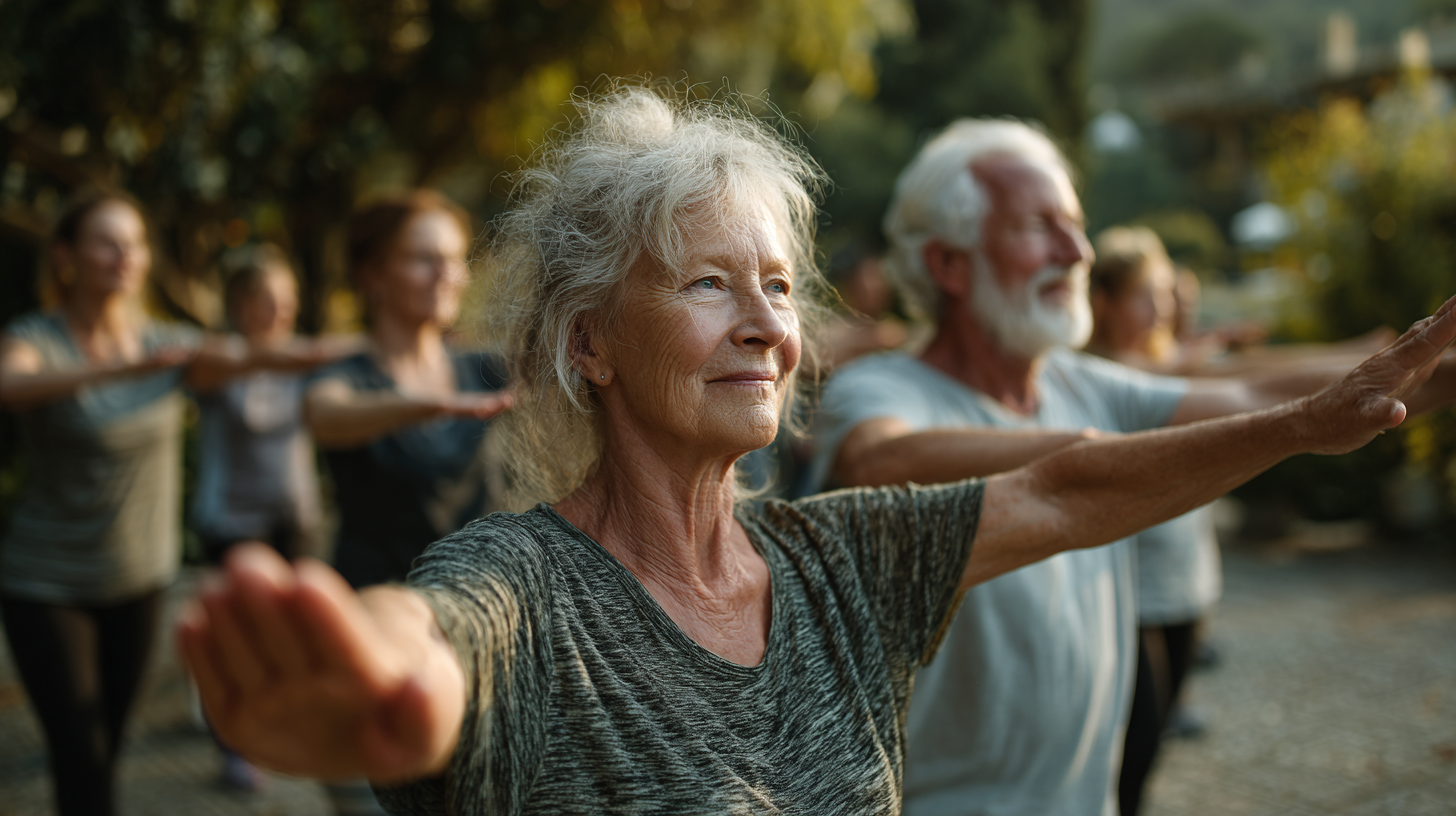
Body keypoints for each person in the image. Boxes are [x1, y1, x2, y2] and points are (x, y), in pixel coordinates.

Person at [175, 87, 1456, 816]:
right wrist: (377, 693)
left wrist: (1304, 425)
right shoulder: (520, 588)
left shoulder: (842, 565)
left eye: (780, 288)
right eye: (706, 285)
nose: (764, 327)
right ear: (591, 345)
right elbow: (430, 640)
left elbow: (1062, 488)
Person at [810, 119, 1456, 816]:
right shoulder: (879, 389)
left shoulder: (1086, 385)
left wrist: (1438, 373)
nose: (1077, 251)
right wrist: (1086, 456)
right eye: (1039, 227)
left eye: (1077, 225)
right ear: (949, 263)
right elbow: (882, 460)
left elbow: (1254, 393)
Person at [0, 188, 336, 816]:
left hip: (141, 579)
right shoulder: (36, 336)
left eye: (136, 243)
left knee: (108, 750)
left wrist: (362, 351)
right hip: (47, 581)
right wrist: (118, 371)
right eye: (108, 242)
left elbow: (260, 353)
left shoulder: (166, 342)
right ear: (67, 256)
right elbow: (9, 384)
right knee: (80, 757)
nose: (127, 256)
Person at [302, 190, 511, 815]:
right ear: (373, 276)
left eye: (453, 257)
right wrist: (427, 403)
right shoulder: (349, 376)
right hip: (372, 631)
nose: (446, 272)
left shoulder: (483, 367)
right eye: (423, 258)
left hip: (475, 631)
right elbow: (324, 416)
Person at [190, 242, 337, 792]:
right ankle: (230, 745)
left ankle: (274, 729)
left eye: (286, 299)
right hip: (229, 520)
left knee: (287, 637)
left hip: (291, 514)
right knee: (235, 639)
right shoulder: (218, 360)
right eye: (265, 300)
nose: (278, 310)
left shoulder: (305, 361)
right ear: (239, 304)